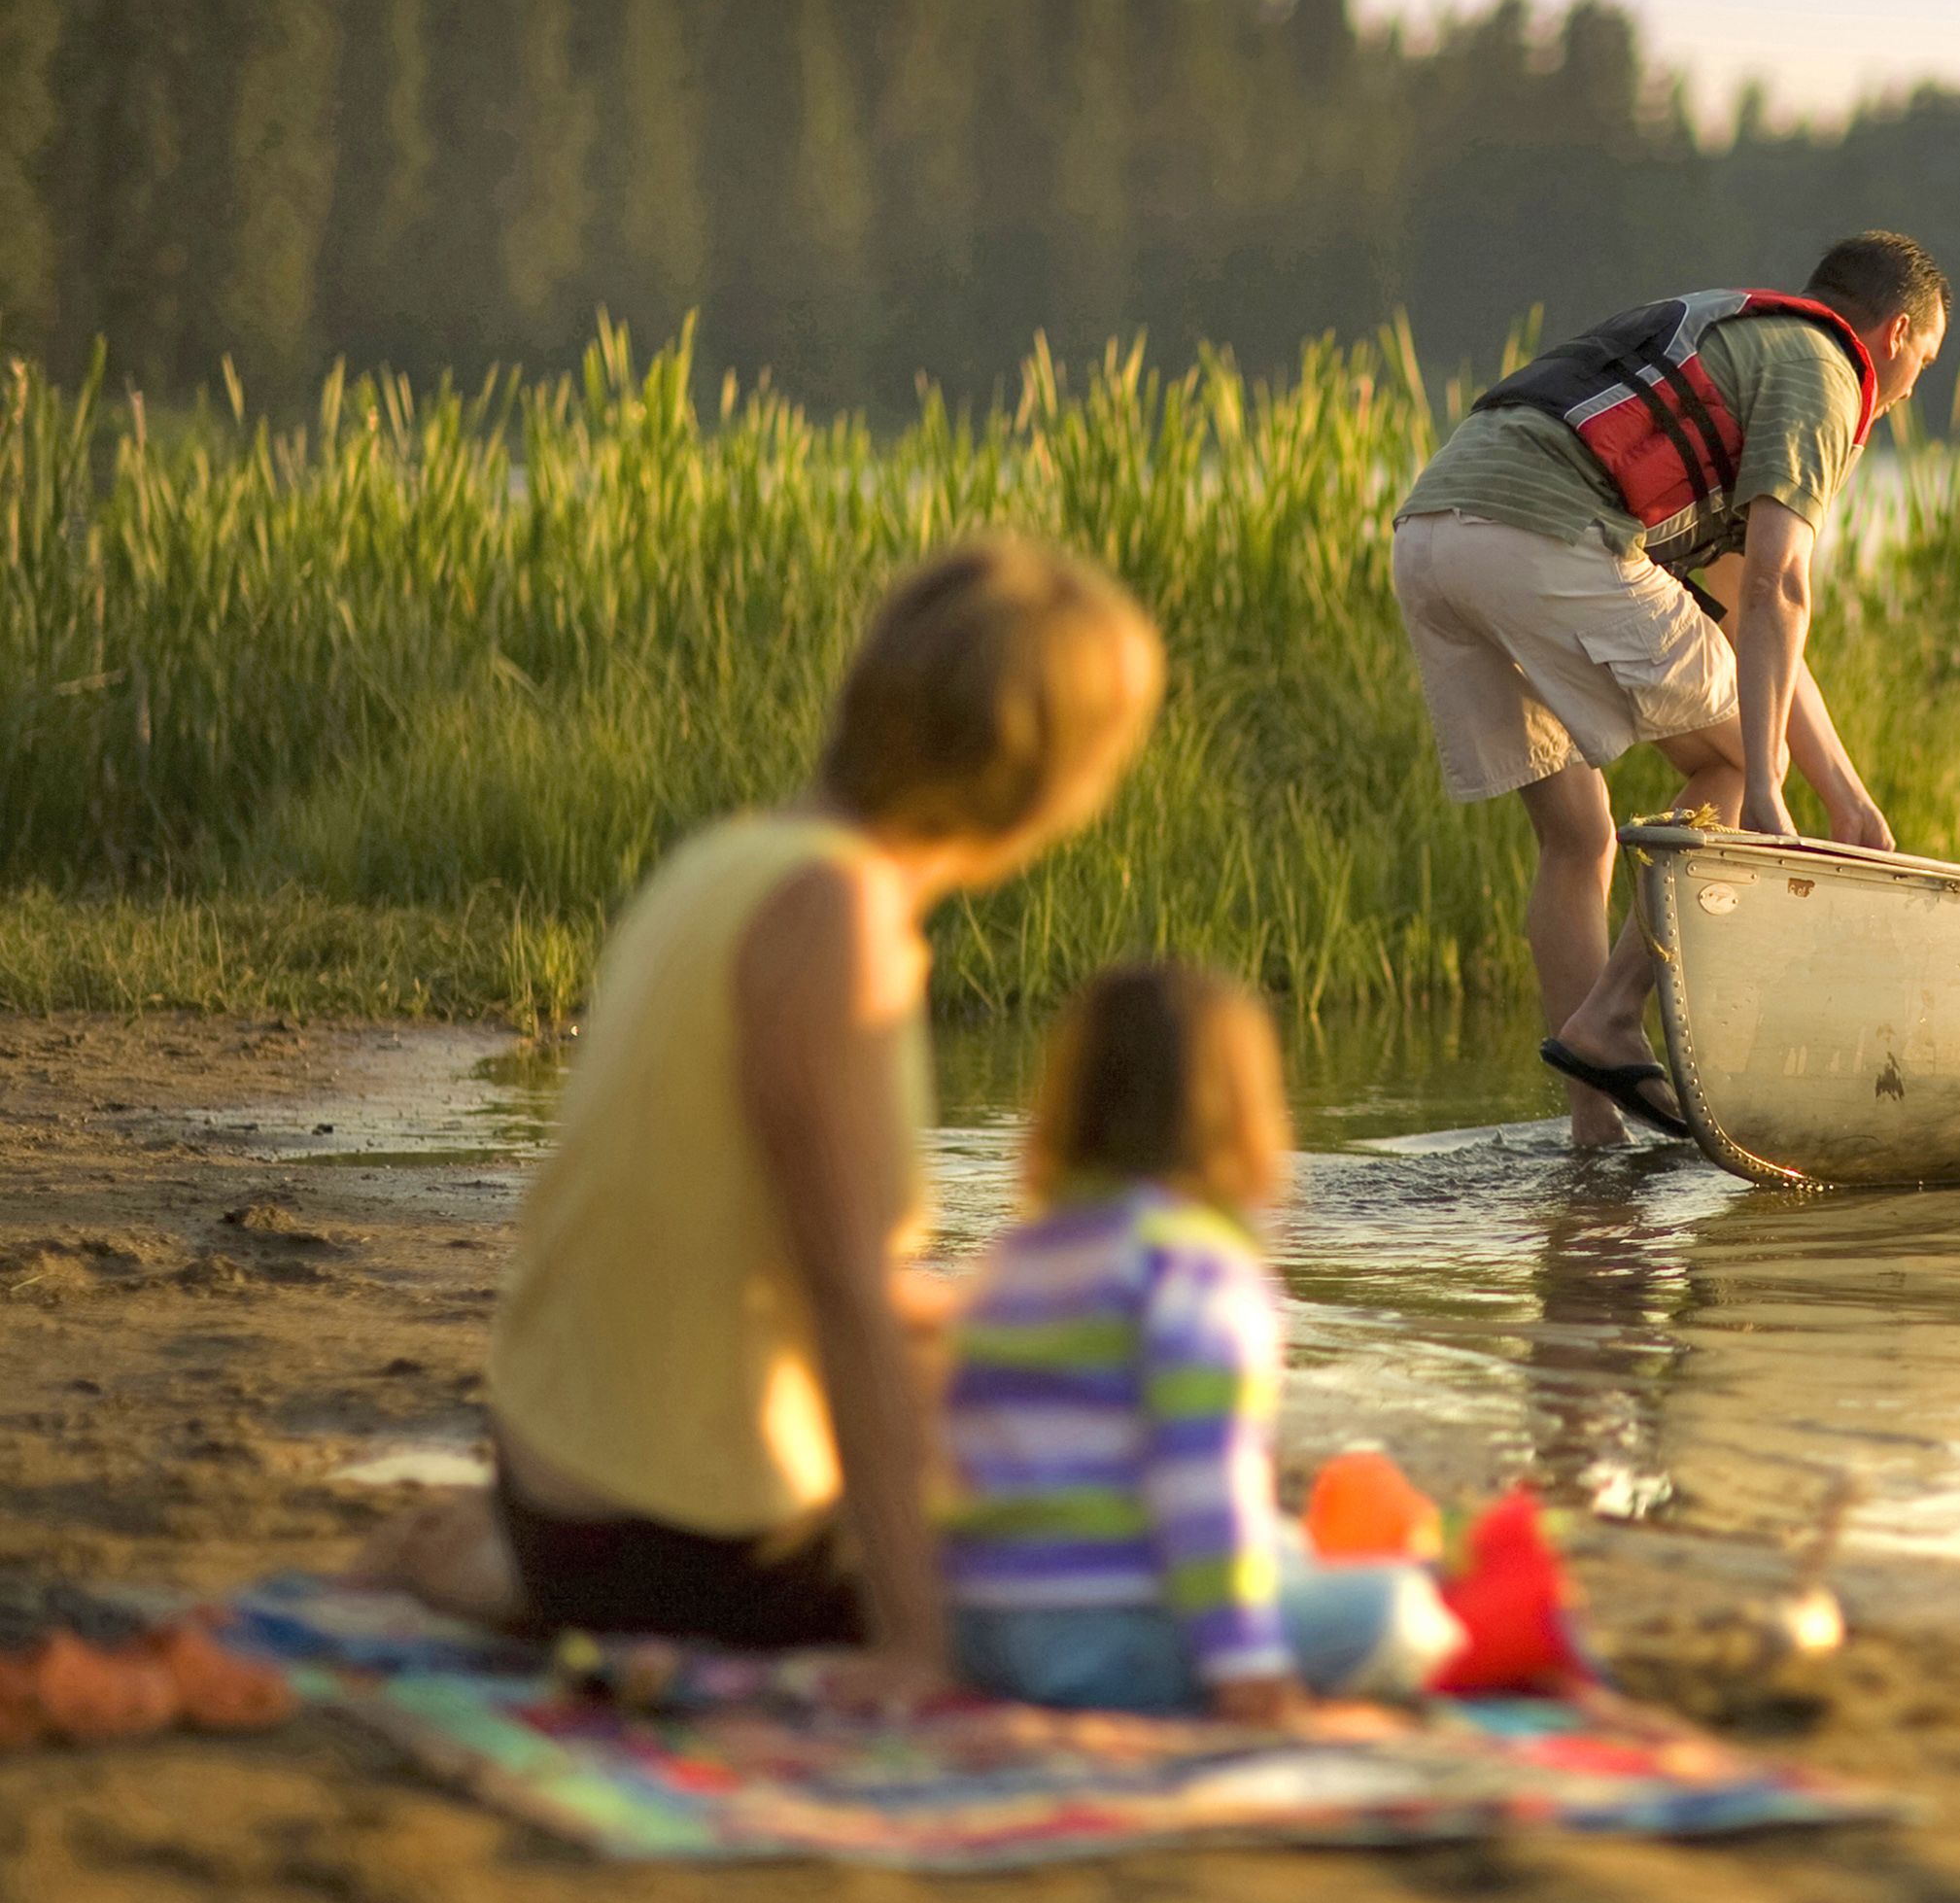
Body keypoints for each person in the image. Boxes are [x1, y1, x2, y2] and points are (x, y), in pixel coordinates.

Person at [377, 536, 1164, 1703]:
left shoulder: (733, 859)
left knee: (1058, 1384)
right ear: (1037, 780)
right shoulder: (830, 917)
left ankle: (518, 1570)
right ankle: (588, 1588)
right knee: (1122, 1579)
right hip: (688, 1532)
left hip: (558, 1489)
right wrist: (917, 1644)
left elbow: (770, 1245)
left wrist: (1016, 1318)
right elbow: (841, 1292)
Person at [1389, 231, 1950, 1146]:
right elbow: (1782, 583)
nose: (1904, 395)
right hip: (1539, 535)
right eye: (1921, 366)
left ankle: (1593, 1131)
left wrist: (1850, 805)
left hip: (1430, 538)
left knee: (1576, 836)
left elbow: (1749, 619)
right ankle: (1612, 1018)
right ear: (1892, 337)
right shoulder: (1826, 370)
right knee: (1732, 770)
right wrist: (1768, 787)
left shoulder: (1746, 348)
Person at [939, 961, 1459, 1716]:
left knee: (1280, 1541)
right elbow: (1200, 1487)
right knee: (1405, 1613)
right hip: (1104, 1647)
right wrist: (1250, 1671)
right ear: (1245, 1112)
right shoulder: (1197, 1270)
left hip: (983, 1633)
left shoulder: (1015, 1260)